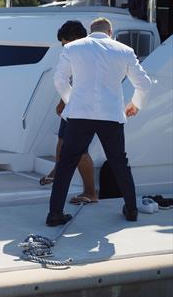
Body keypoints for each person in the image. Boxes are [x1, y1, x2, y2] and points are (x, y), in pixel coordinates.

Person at [47, 17, 152, 226]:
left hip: (79, 115)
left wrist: (71, 101)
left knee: (66, 163)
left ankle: (55, 214)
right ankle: (131, 209)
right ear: (110, 31)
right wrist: (135, 104)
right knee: (119, 162)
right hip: (111, 115)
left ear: (90, 31)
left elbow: (59, 80)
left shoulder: (72, 48)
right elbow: (144, 84)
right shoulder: (124, 50)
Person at [39, 20, 97, 205]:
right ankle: (58, 170)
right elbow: (71, 79)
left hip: (86, 109)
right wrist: (62, 102)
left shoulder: (92, 53)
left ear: (75, 39)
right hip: (72, 105)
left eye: (65, 43)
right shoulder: (76, 52)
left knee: (80, 151)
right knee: (62, 140)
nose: (64, 48)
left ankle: (90, 192)